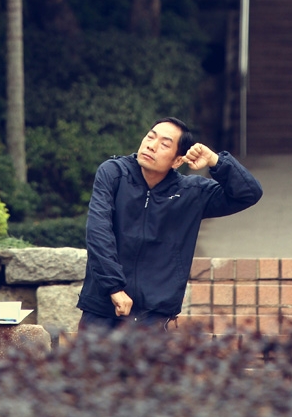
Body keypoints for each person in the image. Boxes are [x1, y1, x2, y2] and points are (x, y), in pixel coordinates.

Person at [77, 117, 263, 330]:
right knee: (86, 364)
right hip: (102, 308)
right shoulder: (114, 173)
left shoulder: (191, 192)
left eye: (164, 144)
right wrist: (114, 288)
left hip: (153, 317)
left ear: (177, 161)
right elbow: (98, 231)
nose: (151, 146)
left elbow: (249, 193)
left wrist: (215, 161)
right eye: (150, 137)